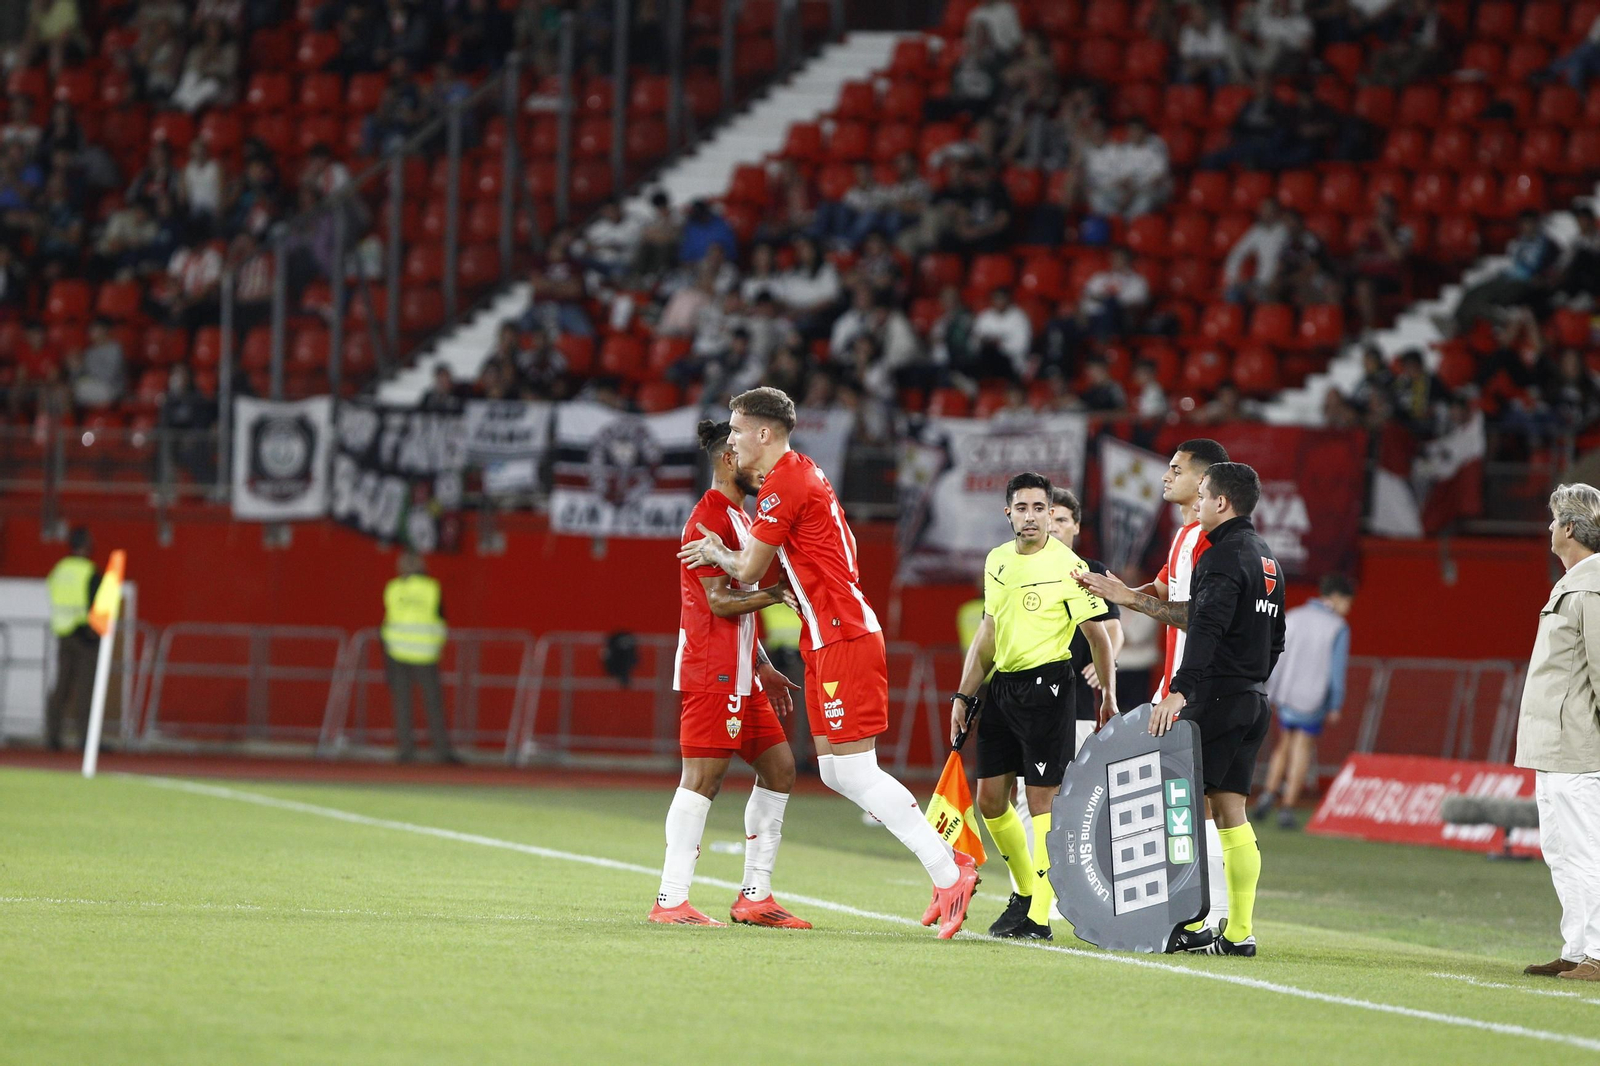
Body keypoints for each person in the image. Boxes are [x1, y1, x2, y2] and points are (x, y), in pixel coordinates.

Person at [678, 387, 980, 939]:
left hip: (843, 634)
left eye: (739, 429)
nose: (734, 439)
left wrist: (716, 552)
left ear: (764, 433)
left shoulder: (786, 483)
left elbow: (747, 567)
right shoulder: (794, 475)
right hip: (826, 637)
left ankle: (949, 868)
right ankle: (945, 867)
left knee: (858, 769)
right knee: (836, 771)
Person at [652, 420, 811, 928]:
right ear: (728, 460)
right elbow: (721, 602)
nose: (761, 469)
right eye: (748, 455)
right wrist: (778, 594)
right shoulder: (707, 520)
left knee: (781, 767)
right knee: (701, 780)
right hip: (711, 672)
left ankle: (754, 896)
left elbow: (736, 604)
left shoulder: (738, 520)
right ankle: (671, 900)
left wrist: (762, 665)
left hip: (742, 673)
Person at [946, 474, 1116, 941]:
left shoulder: (1069, 565)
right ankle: (1025, 890)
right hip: (1002, 687)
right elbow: (988, 631)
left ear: (1049, 513)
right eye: (1022, 508)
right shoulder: (997, 561)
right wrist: (965, 695)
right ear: (1008, 514)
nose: (1031, 517)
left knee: (1043, 804)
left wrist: (1109, 695)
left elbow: (1098, 636)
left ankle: (1039, 917)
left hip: (1048, 690)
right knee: (991, 801)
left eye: (1039, 508)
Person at [1122, 462, 1282, 958]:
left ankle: (1191, 922)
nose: (1197, 503)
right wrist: (1251, 682)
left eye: (1204, 494)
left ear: (1221, 503)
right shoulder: (1267, 558)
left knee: (1184, 810)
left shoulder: (1220, 555)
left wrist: (1180, 690)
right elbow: (1276, 639)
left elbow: (1205, 629)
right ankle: (1238, 932)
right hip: (1253, 697)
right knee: (1231, 811)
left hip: (1214, 698)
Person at [1075, 438, 1232, 932]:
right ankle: (1188, 909)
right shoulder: (1185, 535)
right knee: (1179, 799)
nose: (1165, 476)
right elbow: (1161, 592)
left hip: (1202, 686)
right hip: (1173, 683)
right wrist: (1110, 595)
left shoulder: (1213, 541)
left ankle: (1217, 916)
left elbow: (1200, 617)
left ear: (1203, 481)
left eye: (1176, 469)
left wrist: (1127, 598)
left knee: (1206, 802)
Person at [1517, 484, 1600, 981]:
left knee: (1585, 849)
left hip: (1578, 748)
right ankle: (1577, 949)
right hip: (1555, 748)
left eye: (1553, 521)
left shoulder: (1591, 587)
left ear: (1569, 528)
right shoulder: (1575, 582)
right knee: (1562, 851)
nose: (1549, 528)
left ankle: (1598, 953)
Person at [1254, 573, 1356, 828]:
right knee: (1302, 748)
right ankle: (1288, 805)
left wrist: (1271, 687)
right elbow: (1336, 671)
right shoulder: (1337, 627)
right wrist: (1335, 704)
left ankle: (1268, 793)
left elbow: (1277, 653)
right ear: (1337, 598)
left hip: (1286, 692)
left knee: (1284, 744)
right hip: (1313, 697)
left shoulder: (1295, 616)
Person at [1050, 487, 1126, 755]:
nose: (1053, 527)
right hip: (1026, 699)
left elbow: (1114, 628)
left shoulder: (1092, 571)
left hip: (1076, 698)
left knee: (1074, 787)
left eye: (1062, 520)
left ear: (1077, 526)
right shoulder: (1017, 571)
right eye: (1048, 519)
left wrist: (1106, 661)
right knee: (1026, 793)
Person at [381, 552, 458, 764]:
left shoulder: (393, 588)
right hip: (426, 653)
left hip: (397, 652)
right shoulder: (431, 588)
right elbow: (441, 617)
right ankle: (442, 752)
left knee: (402, 704)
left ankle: (406, 752)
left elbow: (388, 618)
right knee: (434, 704)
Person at [44, 526, 100, 752]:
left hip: (62, 633)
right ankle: (86, 739)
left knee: (61, 688)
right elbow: (96, 604)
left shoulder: (59, 569)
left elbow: (53, 594)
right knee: (85, 689)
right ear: (86, 545)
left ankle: (52, 736)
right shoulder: (90, 571)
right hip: (84, 637)